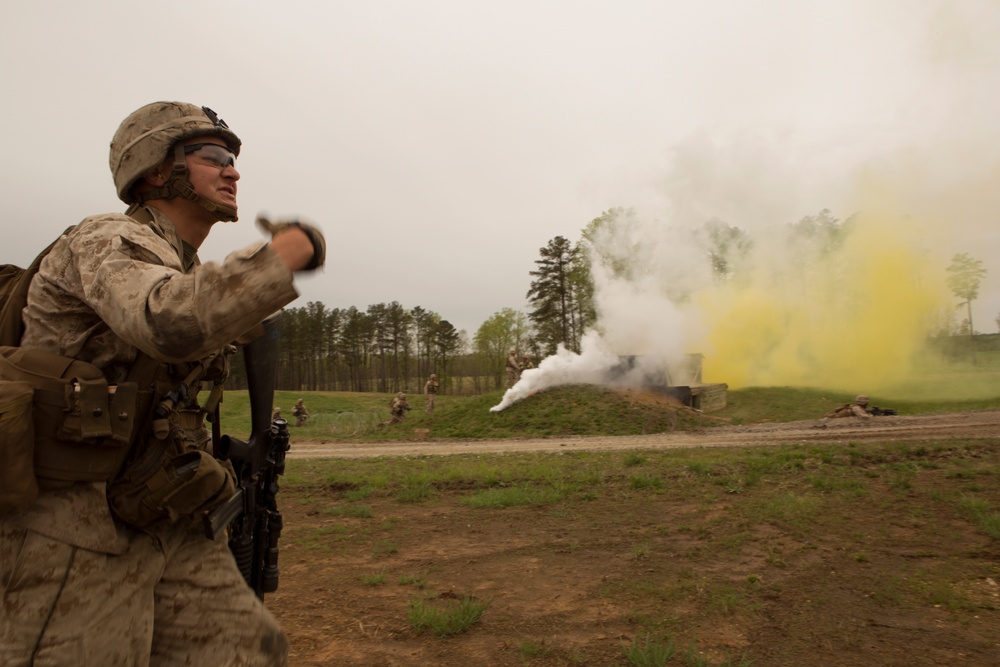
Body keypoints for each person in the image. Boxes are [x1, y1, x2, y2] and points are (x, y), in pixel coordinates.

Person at [0, 101, 325, 666]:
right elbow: (167, 322)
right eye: (214, 157)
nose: (233, 171)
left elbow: (203, 317)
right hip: (72, 530)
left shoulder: (183, 268)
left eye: (232, 159)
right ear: (156, 170)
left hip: (159, 512)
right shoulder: (103, 240)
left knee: (248, 651)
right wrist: (281, 256)